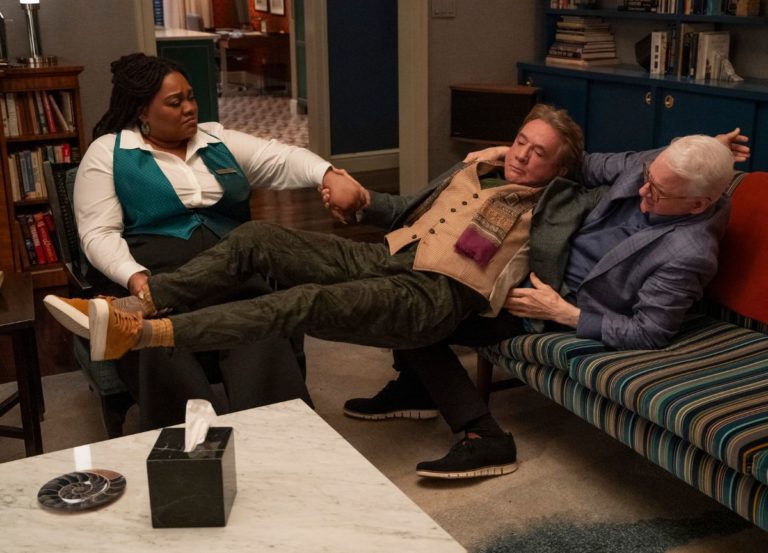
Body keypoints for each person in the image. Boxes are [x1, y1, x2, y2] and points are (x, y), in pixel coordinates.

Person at [44, 106, 583, 457]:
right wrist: (363, 198)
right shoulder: (476, 169)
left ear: (560, 170)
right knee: (259, 237)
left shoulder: (559, 201)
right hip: (390, 258)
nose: (521, 155)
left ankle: (142, 334)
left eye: (538, 153)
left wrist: (541, 168)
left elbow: (613, 170)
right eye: (519, 141)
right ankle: (141, 304)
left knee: (299, 301)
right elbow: (408, 210)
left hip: (431, 295)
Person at [343, 128, 748, 479]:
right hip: (535, 253)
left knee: (417, 314)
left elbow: (650, 331)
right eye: (648, 178)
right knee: (419, 272)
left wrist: (564, 314)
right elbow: (580, 163)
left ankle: (485, 437)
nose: (643, 191)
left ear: (698, 204)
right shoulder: (654, 169)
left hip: (552, 301)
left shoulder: (689, 253)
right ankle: (414, 388)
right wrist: (504, 153)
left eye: (657, 193)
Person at [43, 53, 360, 429]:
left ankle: (278, 436)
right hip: (154, 278)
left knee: (258, 322)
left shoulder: (216, 139)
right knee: (154, 341)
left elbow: (281, 158)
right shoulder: (110, 153)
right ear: (142, 111)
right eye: (175, 102)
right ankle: (193, 447)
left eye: (191, 97)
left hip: (233, 276)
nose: (189, 108)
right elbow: (99, 234)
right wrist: (134, 277)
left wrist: (328, 174)